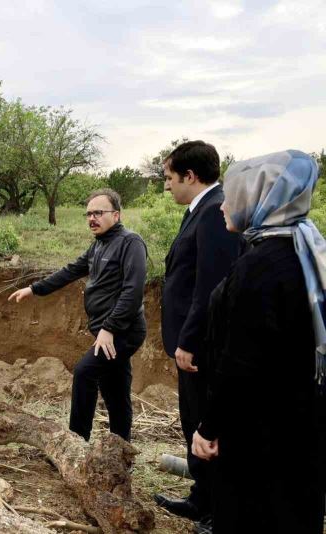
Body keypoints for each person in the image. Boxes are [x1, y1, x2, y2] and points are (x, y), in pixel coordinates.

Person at [192, 150, 326, 533]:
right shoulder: (306, 251)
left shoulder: (262, 265)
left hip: (261, 436)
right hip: (302, 427)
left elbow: (242, 362)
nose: (223, 207)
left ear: (260, 199)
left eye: (233, 196)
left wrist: (209, 426)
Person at [9, 188, 147, 441]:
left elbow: (133, 291)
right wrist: (34, 289)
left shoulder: (130, 243)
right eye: (88, 214)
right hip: (107, 330)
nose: (92, 218)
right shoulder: (99, 245)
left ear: (116, 215)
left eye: (98, 213)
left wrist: (109, 328)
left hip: (123, 331)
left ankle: (76, 441)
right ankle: (121, 449)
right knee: (114, 388)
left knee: (85, 372)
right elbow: (71, 271)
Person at [153, 141, 241, 533]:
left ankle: (216, 514)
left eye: (169, 178)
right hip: (190, 343)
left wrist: (188, 339)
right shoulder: (200, 210)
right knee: (192, 422)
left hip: (202, 345)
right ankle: (200, 499)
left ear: (190, 176)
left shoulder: (213, 213)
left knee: (207, 426)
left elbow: (210, 286)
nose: (166, 187)